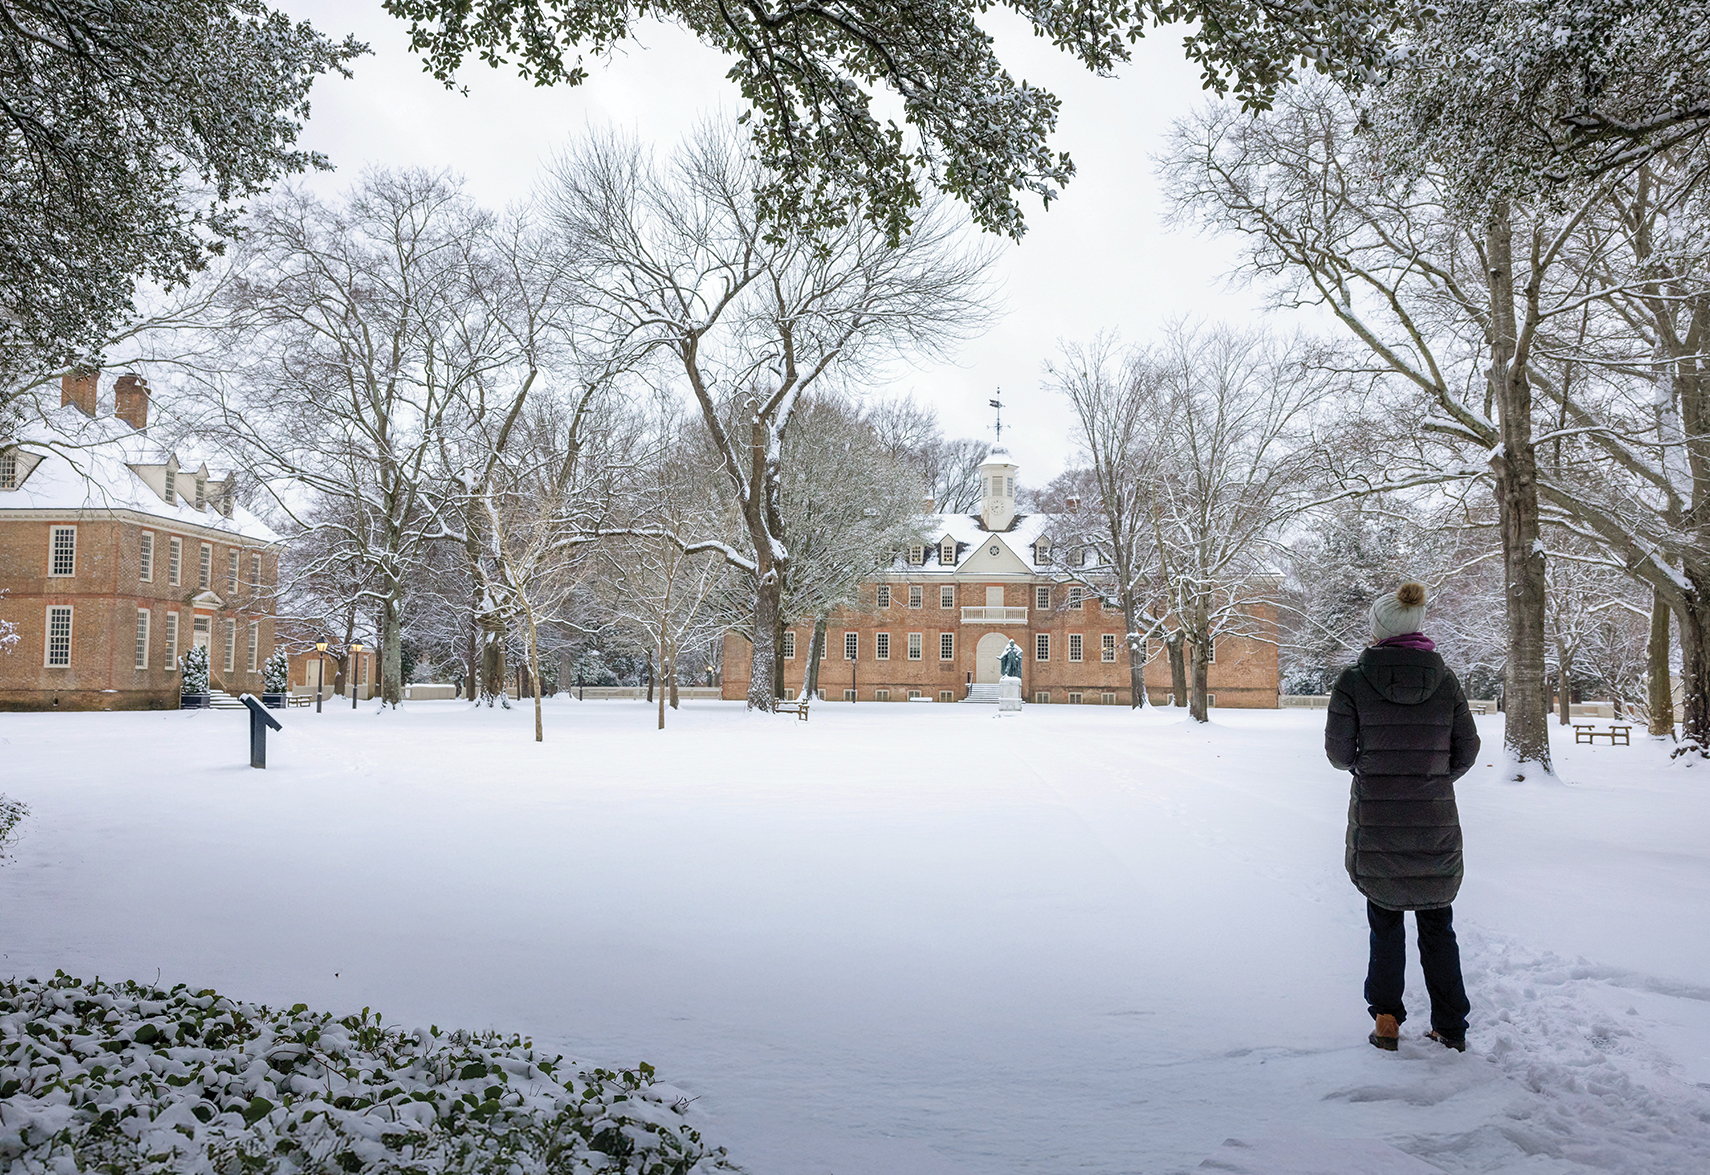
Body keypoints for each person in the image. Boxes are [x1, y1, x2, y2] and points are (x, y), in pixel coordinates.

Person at [1326, 581, 1480, 1052]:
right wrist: (1433, 777)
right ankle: (1451, 1026)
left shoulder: (1353, 681)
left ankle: (1387, 1020)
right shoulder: (1446, 680)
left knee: (1385, 920)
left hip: (1378, 821)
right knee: (1438, 924)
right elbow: (1467, 749)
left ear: (1379, 629)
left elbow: (1337, 753)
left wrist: (1369, 770)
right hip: (1434, 820)